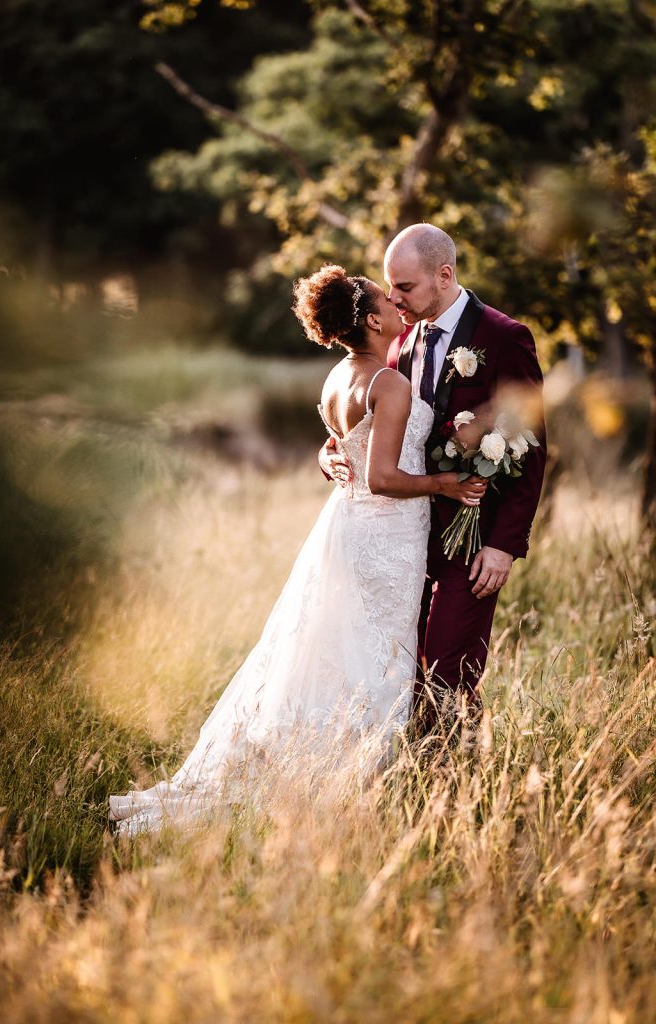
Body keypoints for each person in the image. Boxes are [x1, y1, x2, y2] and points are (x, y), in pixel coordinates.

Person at [109, 265, 485, 835]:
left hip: (350, 526)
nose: (396, 304)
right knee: (372, 655)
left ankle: (321, 771)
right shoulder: (389, 383)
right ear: (372, 317)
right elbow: (382, 477)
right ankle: (343, 786)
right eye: (388, 297)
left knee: (338, 648)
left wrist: (331, 458)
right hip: (386, 533)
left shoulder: (340, 376)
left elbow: (343, 449)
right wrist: (443, 485)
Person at [320, 225, 547, 730]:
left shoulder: (503, 338)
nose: (395, 299)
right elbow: (375, 430)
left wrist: (504, 545)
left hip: (471, 542)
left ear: (444, 276)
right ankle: (422, 784)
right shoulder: (399, 342)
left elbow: (532, 450)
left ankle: (456, 790)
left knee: (449, 670)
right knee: (408, 673)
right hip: (404, 541)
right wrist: (329, 450)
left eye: (405, 287)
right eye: (390, 287)